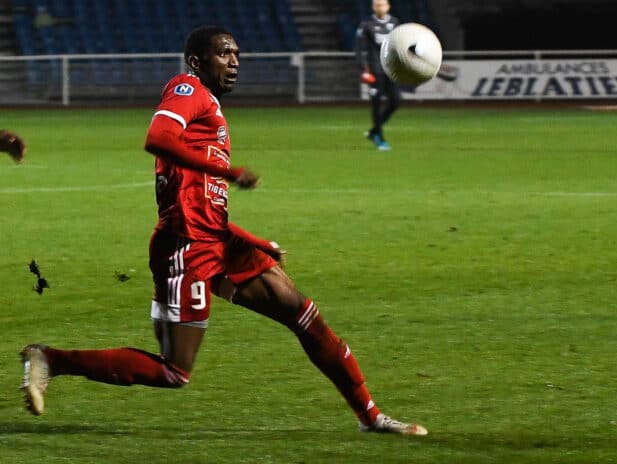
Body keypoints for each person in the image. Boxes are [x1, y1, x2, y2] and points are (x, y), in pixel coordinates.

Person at [20, 25, 427, 436]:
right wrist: (229, 171)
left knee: (303, 315)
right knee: (174, 370)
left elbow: (201, 199)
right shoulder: (188, 89)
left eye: (237, 55)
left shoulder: (210, 105)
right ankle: (50, 359)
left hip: (217, 239)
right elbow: (157, 138)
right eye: (224, 54)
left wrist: (252, 241)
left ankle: (369, 415)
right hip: (186, 247)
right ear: (198, 61)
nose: (234, 62)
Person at [355, 0, 401, 151]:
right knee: (376, 103)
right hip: (375, 70)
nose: (380, 7)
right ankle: (379, 137)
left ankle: (374, 130)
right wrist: (363, 68)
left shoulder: (395, 23)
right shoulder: (366, 25)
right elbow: (359, 49)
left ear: (388, 6)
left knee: (396, 101)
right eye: (377, 4)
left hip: (390, 69)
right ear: (373, 7)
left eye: (383, 4)